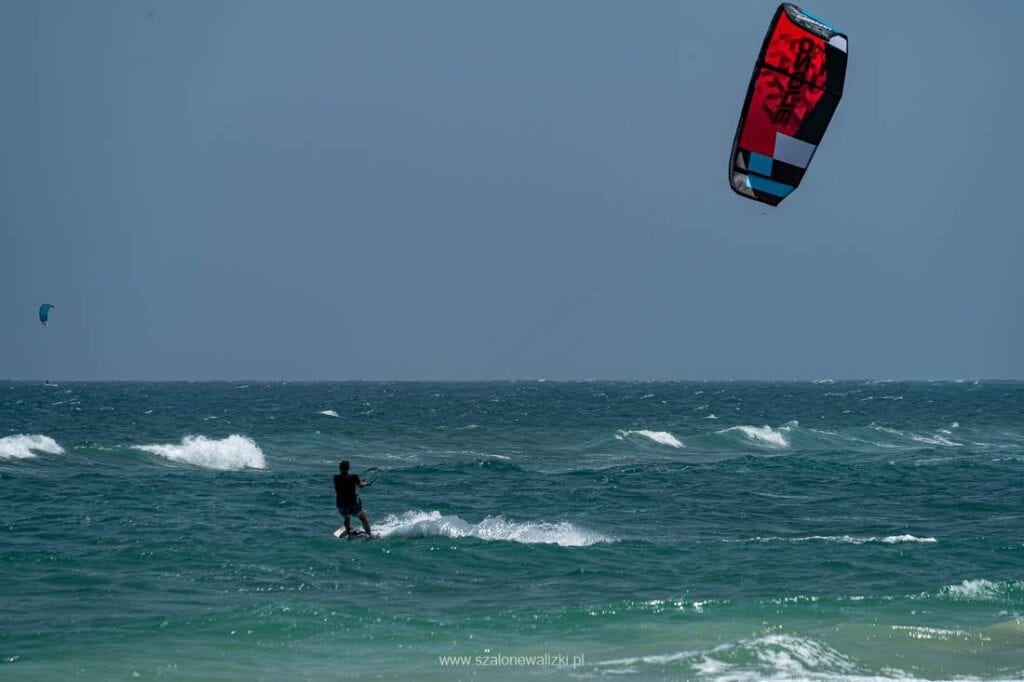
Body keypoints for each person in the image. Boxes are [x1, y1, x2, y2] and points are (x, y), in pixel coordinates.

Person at [334, 460, 372, 537]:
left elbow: (345, 480)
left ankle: (349, 534)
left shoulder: (335, 478)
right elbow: (360, 486)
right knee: (363, 518)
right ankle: (370, 535)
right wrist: (364, 483)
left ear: (340, 468)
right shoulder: (354, 477)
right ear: (348, 468)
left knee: (346, 516)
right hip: (352, 504)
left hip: (341, 504)